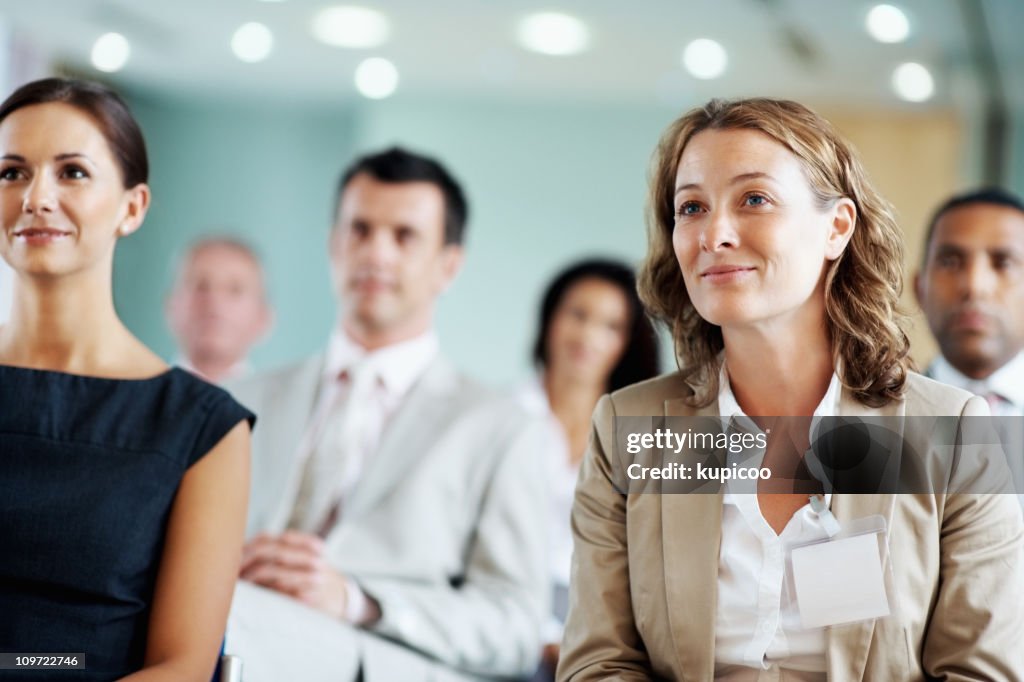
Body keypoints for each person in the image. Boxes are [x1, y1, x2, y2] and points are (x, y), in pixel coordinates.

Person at [557, 98, 1024, 681]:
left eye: (754, 199)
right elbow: (598, 662)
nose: (715, 234)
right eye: (691, 207)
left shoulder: (955, 430)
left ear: (836, 228)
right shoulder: (631, 427)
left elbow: (982, 672)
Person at [226, 147, 548, 682]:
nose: (376, 253)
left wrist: (358, 601)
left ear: (448, 265)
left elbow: (515, 628)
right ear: (333, 244)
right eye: (360, 230)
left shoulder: (501, 429)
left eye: (404, 236)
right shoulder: (244, 398)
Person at [0, 78, 253, 681]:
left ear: (131, 208)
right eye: (11, 172)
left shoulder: (205, 430)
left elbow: (183, 666)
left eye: (73, 173)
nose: (36, 196)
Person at [519, 258, 659, 681]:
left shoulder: (644, 441)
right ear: (550, 319)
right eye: (577, 315)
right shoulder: (499, 419)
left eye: (611, 326)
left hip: (594, 638)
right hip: (505, 617)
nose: (588, 336)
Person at [915, 188, 1024, 415]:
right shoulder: (876, 418)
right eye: (950, 262)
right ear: (920, 289)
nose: (975, 286)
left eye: (1003, 263)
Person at [166, 236, 272, 384]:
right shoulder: (136, 398)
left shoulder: (281, 404)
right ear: (172, 306)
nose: (215, 301)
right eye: (201, 286)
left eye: (235, 289)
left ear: (263, 317)